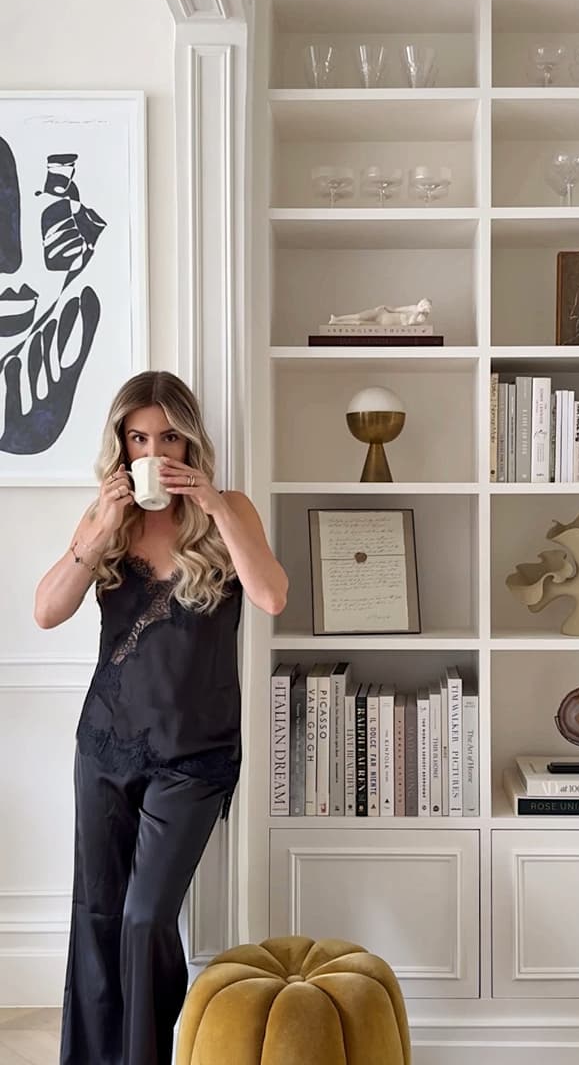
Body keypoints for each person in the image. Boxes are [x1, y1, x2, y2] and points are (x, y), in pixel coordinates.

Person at [33, 370, 288, 1065]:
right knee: (97, 917)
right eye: (139, 437)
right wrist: (101, 529)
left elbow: (270, 596)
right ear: (122, 445)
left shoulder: (228, 510)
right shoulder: (104, 519)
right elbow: (46, 610)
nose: (154, 450)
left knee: (146, 919)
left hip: (195, 755)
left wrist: (214, 502)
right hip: (106, 747)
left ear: (189, 438)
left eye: (169, 435)